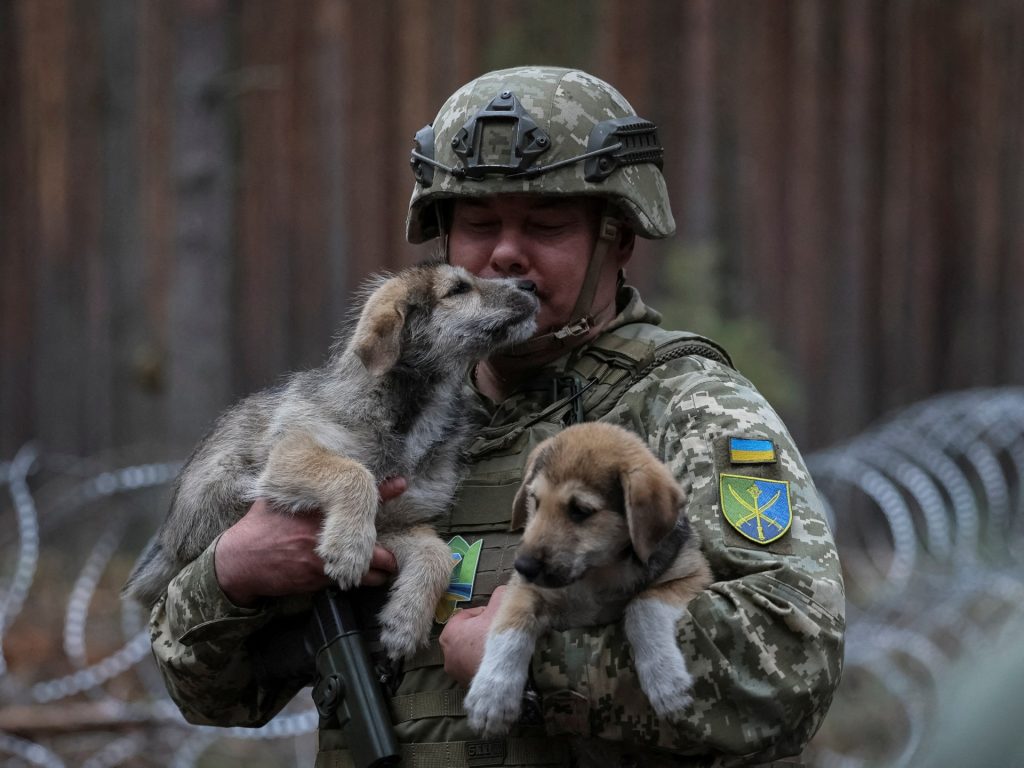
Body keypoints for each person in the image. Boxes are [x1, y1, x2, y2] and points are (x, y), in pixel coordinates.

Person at [148, 66, 845, 767]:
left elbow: (790, 666)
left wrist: (533, 662)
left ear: (618, 238)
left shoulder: (687, 408)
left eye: (545, 224)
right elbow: (215, 697)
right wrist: (231, 576)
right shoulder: (386, 428)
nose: (507, 254)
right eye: (479, 224)